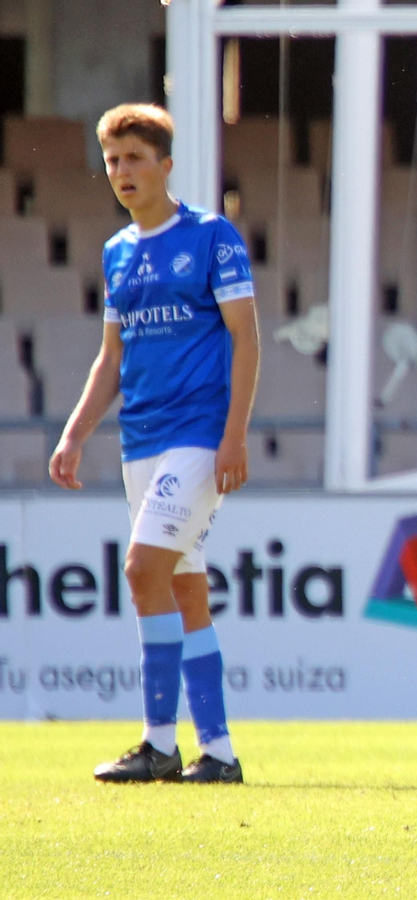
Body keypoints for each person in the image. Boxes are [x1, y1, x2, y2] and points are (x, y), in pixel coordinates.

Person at [49, 103, 260, 784]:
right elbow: (109, 360)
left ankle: (158, 743)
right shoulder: (117, 252)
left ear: (166, 164)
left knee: (142, 571)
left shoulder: (210, 236)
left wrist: (234, 437)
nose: (122, 171)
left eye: (136, 158)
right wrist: (76, 433)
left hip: (197, 438)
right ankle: (220, 754)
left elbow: (246, 337)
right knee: (185, 590)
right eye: (113, 160)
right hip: (139, 442)